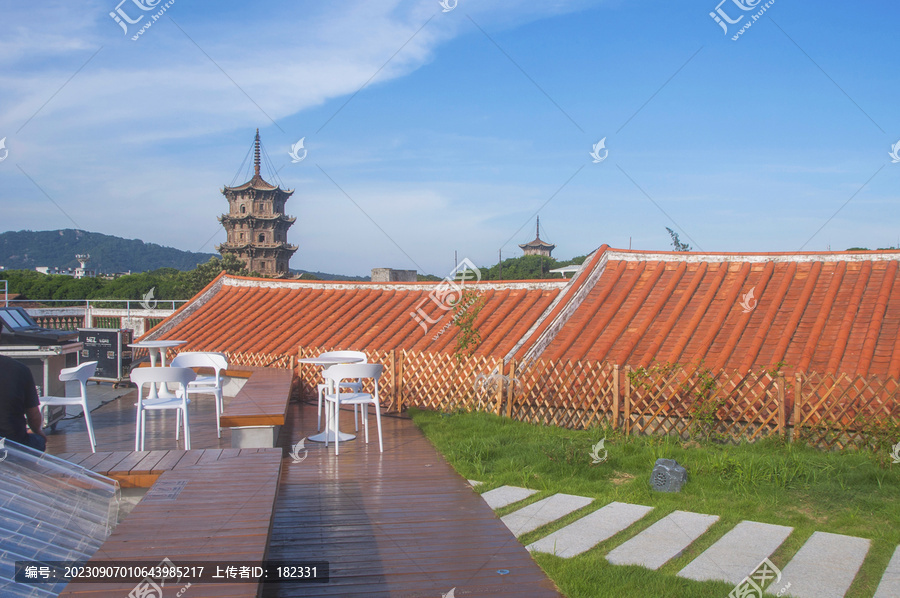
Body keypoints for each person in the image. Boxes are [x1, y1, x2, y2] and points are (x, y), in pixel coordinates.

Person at [0, 354, 47, 451]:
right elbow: (33, 416)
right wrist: (37, 431)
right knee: (39, 440)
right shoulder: (20, 368)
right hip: (12, 445)